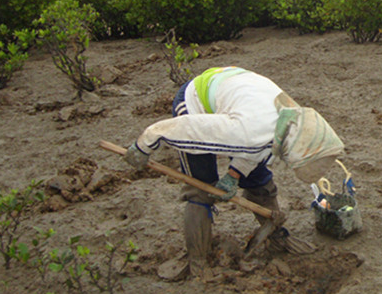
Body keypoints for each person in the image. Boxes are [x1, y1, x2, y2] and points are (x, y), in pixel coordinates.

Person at [123, 66, 345, 275]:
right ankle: (197, 259)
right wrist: (146, 144)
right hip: (195, 101)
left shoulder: (291, 116)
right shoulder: (245, 131)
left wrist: (233, 176)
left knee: (260, 180)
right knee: (201, 187)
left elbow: (261, 147)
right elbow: (185, 129)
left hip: (237, 94)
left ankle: (275, 236)